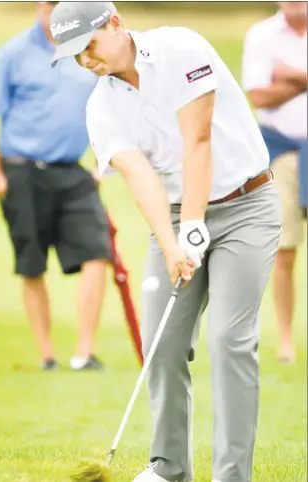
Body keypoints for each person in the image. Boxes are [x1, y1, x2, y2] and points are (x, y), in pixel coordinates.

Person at [50, 2, 282, 482]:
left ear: (114, 24)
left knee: (228, 340)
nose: (85, 60)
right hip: (174, 214)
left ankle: (232, 474)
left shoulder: (181, 48)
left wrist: (197, 220)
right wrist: (174, 242)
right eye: (74, 56)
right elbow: (140, 178)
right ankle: (169, 468)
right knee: (162, 342)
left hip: (246, 204)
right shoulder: (101, 106)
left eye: (88, 45)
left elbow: (197, 139)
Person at [0, 1, 113, 372]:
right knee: (32, 265)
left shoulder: (88, 47)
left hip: (74, 172)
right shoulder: (14, 53)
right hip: (23, 172)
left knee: (98, 254)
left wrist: (105, 162)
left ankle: (84, 353)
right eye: (49, 3)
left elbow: (112, 105)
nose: (53, 10)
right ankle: (48, 355)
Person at [242, 1, 307, 364]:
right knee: (284, 249)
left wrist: (290, 76)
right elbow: (260, 96)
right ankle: (285, 339)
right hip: (281, 151)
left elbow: (274, 88)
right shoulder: (262, 35)